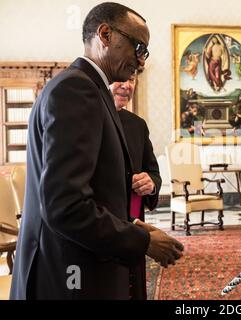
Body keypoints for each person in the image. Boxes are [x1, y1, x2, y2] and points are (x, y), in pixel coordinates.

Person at [11, 2, 183, 300]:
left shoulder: (86, 88)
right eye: (138, 47)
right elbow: (66, 206)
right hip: (69, 274)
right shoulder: (77, 90)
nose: (141, 62)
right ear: (105, 34)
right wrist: (141, 241)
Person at [110, 74, 162, 299]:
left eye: (132, 80)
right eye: (120, 80)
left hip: (134, 223)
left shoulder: (137, 125)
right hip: (103, 226)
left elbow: (154, 173)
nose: (127, 85)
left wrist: (150, 184)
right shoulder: (89, 121)